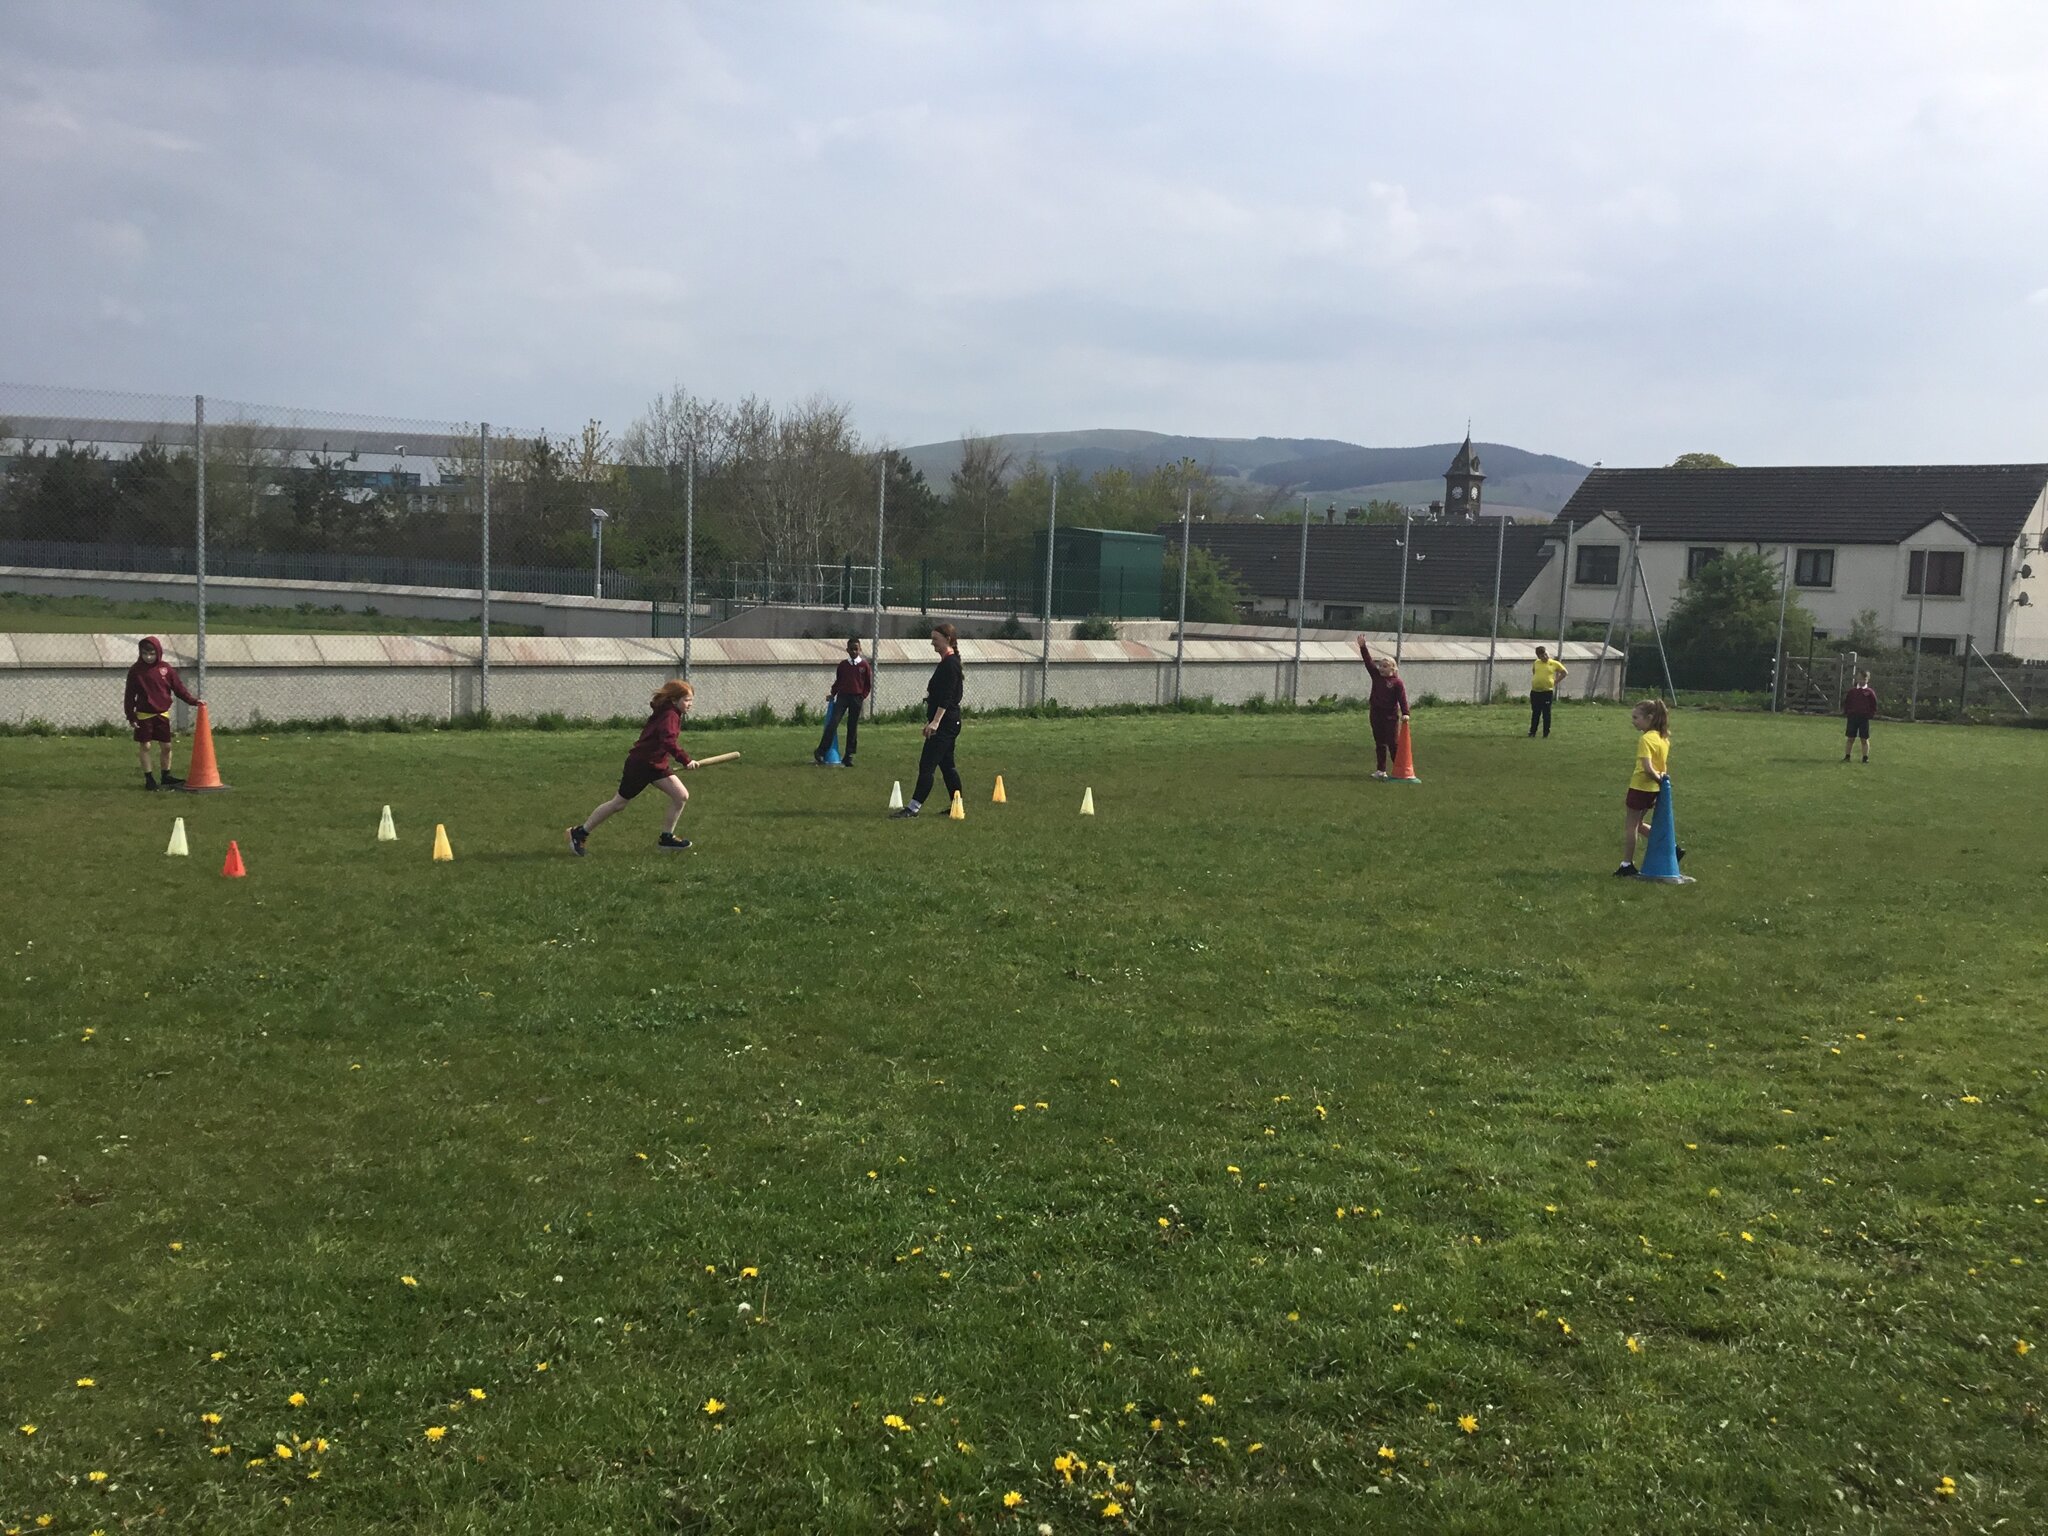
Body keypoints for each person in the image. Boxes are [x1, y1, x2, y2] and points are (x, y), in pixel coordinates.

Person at [567, 680, 697, 855]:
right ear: (674, 700)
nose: (690, 704)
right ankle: (579, 833)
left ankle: (666, 838)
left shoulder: (670, 712)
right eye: (687, 700)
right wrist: (686, 760)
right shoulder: (669, 715)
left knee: (681, 795)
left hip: (656, 765)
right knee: (618, 803)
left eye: (691, 700)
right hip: (641, 765)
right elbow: (668, 741)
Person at [890, 624, 963, 818]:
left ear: (947, 639)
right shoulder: (948, 662)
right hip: (947, 723)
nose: (932, 642)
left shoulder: (950, 664)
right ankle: (957, 805)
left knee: (927, 765)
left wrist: (936, 722)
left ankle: (913, 808)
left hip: (946, 724)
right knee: (947, 766)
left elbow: (947, 697)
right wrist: (931, 720)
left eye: (935, 639)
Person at [123, 635, 201, 791]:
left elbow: (179, 689)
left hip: (162, 715)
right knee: (145, 746)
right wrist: (131, 715)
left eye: (152, 653)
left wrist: (193, 701)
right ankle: (149, 779)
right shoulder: (135, 671)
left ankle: (166, 776)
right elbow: (129, 695)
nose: (148, 657)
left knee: (166, 747)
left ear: (158, 652)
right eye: (145, 654)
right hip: (144, 715)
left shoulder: (166, 669)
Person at [1616, 697, 1679, 877]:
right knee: (1639, 823)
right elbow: (1662, 766)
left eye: (1636, 718)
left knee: (1631, 826)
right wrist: (1660, 781)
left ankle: (1626, 864)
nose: (1633, 722)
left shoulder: (1646, 739)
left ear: (1649, 717)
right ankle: (1672, 847)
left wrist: (1657, 779)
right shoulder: (1663, 738)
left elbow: (1648, 767)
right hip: (1651, 790)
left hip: (1640, 786)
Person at [1354, 637, 1410, 779]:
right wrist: (1363, 647)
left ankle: (1399, 769)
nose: (1381, 668)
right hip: (1376, 714)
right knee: (1380, 743)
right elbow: (1368, 662)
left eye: (1385, 666)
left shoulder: (1397, 683)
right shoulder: (1376, 677)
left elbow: (1402, 699)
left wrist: (1405, 713)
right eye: (1381, 666)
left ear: (1392, 668)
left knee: (1393, 743)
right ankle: (1381, 770)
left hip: (1390, 716)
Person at [815, 636, 873, 767]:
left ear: (860, 650)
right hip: (843, 697)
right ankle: (821, 751)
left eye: (856, 649)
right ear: (847, 650)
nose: (853, 652)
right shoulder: (843, 665)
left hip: (856, 698)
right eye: (851, 649)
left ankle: (849, 755)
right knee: (833, 723)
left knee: (852, 727)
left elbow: (868, 684)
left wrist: (862, 696)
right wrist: (833, 693)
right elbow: (839, 681)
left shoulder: (864, 666)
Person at [1528, 645, 1569, 737]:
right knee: (1535, 712)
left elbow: (1564, 672)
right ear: (1538, 656)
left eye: (1546, 654)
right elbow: (1534, 672)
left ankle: (1546, 733)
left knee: (1546, 713)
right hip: (1535, 692)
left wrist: (1555, 681)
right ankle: (1532, 732)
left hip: (1547, 692)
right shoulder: (1536, 663)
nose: (1545, 657)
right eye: (1542, 656)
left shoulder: (1554, 663)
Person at [1842, 669, 1877, 762]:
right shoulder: (1852, 691)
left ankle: (1865, 757)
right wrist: (1848, 712)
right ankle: (1847, 756)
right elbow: (1847, 703)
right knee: (1850, 738)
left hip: (1864, 718)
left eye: (1864, 679)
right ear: (1857, 679)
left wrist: (1870, 715)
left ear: (1867, 680)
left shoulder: (1869, 692)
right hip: (1852, 717)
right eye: (1860, 679)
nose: (1862, 681)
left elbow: (1874, 705)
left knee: (1864, 739)